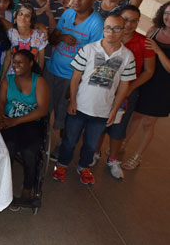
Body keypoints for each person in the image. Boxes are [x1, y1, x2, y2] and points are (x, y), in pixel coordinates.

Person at [52, 14, 136, 185]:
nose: (111, 32)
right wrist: (73, 101)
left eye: (116, 28)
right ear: (103, 29)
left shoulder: (127, 57)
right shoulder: (89, 49)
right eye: (107, 28)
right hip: (80, 106)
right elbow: (76, 77)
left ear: (123, 30)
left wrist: (114, 110)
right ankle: (62, 164)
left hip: (103, 111)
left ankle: (83, 167)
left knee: (91, 144)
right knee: (69, 140)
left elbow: (124, 86)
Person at [91, 5, 155, 179]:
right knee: (99, 123)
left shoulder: (143, 42)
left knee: (118, 126)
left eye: (134, 21)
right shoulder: (107, 37)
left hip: (127, 93)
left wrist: (130, 88)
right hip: (103, 89)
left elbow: (148, 71)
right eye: (126, 20)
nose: (129, 24)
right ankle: (95, 153)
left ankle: (113, 159)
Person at [45, 0, 104, 160]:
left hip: (72, 77)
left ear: (92, 0)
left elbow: (96, 59)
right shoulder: (68, 13)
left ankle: (61, 144)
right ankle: (41, 140)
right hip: (52, 69)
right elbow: (54, 39)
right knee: (44, 108)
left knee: (65, 115)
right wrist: (61, 36)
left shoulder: (96, 24)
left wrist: (79, 85)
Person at [121, 1, 170, 171]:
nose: (169, 17)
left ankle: (137, 156)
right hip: (146, 79)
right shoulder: (154, 30)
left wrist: (158, 50)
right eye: (167, 13)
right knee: (136, 116)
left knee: (149, 123)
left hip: (163, 86)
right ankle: (123, 143)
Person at [0, 49, 49, 205]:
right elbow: (1, 103)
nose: (15, 65)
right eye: (14, 62)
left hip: (31, 123)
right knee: (9, 148)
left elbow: (42, 110)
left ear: (31, 64)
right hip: (9, 121)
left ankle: (27, 188)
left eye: (20, 62)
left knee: (29, 152)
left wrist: (16, 121)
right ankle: (2, 186)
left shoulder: (39, 81)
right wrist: (1, 120)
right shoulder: (8, 80)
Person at [2, 4, 47, 75]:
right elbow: (8, 58)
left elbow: (41, 61)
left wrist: (37, 77)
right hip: (12, 75)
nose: (23, 17)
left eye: (27, 16)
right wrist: (3, 78)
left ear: (31, 21)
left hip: (31, 76)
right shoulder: (10, 34)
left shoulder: (39, 35)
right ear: (15, 18)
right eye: (20, 14)